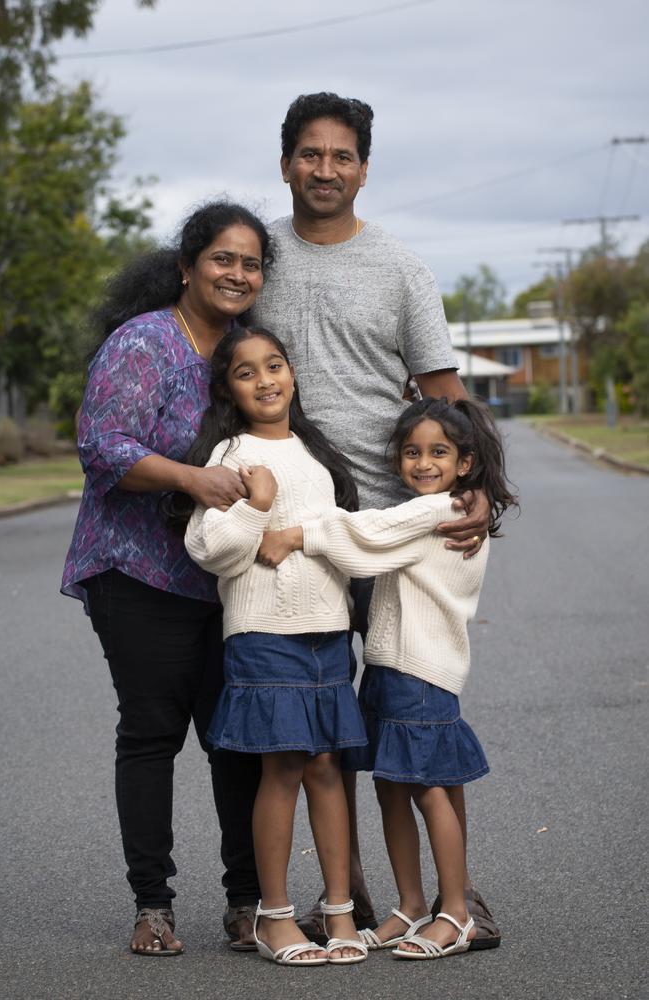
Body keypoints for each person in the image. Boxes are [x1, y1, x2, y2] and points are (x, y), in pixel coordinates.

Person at [251, 91, 499, 948]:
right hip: (287, 536)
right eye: (310, 155)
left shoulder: (400, 268)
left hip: (389, 534)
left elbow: (444, 393)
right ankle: (335, 893)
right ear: (285, 162)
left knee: (409, 712)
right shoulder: (255, 258)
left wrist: (480, 491)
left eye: (342, 156)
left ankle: (453, 897)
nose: (326, 170)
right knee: (296, 723)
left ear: (364, 167)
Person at [61, 201, 272, 956]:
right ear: (186, 266)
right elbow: (102, 446)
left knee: (236, 742)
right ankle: (153, 905)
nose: (237, 274)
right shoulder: (144, 341)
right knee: (152, 736)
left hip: (226, 578)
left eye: (250, 264)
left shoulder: (248, 349)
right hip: (137, 573)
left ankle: (248, 902)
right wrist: (192, 477)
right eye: (222, 258)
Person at [257, 396, 518, 960]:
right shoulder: (433, 507)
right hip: (389, 668)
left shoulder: (443, 510)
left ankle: (456, 912)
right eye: (411, 453)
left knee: (426, 791)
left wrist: (296, 534)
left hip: (421, 674)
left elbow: (368, 537)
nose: (423, 463)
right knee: (390, 789)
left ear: (465, 463)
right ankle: (410, 906)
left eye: (438, 453)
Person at [181, 326, 369, 966]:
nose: (266, 380)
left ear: (292, 374)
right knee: (284, 768)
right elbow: (214, 552)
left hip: (327, 634)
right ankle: (274, 916)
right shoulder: (228, 457)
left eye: (276, 365)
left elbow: (342, 538)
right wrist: (257, 506)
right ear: (228, 390)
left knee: (326, 768)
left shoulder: (316, 455)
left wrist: (305, 531)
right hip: (265, 635)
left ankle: (340, 912)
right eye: (246, 372)